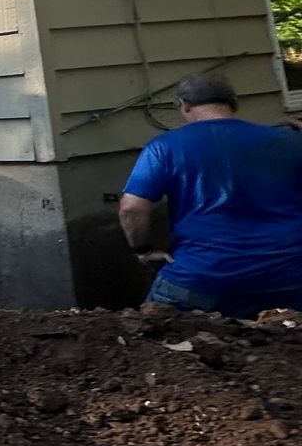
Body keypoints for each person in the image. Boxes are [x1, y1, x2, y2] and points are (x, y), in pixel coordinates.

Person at [118, 72, 302, 316]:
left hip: (203, 278)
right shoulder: (288, 140)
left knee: (155, 331)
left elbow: (131, 208)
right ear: (234, 104)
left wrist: (144, 250)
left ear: (183, 105)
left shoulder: (165, 147)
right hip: (290, 274)